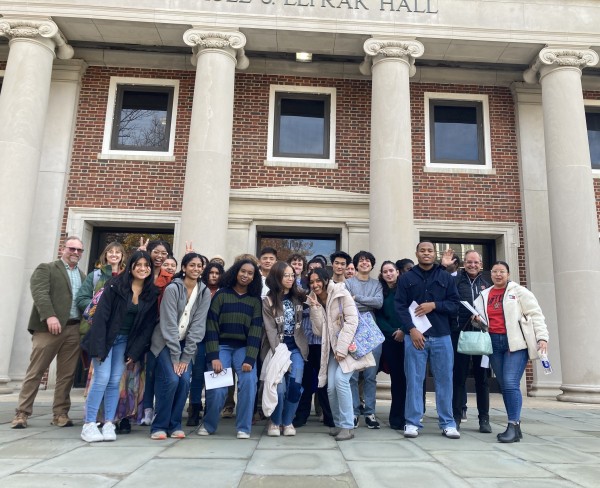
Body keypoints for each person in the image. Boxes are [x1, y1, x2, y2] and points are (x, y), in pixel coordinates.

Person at [80, 251, 159, 442]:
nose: (142, 268)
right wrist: (99, 348)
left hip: (125, 342)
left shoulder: (151, 293)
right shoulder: (115, 285)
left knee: (115, 381)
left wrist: (134, 351)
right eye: (138, 264)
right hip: (105, 339)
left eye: (146, 265)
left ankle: (109, 423)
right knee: (102, 379)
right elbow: (100, 318)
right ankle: (89, 424)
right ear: (131, 266)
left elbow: (147, 326)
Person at [12, 236, 86, 429]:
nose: (75, 253)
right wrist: (50, 316)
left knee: (66, 375)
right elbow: (40, 293)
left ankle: (60, 413)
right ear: (64, 248)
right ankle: (22, 413)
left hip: (73, 329)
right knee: (35, 371)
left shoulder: (83, 275)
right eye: (72, 249)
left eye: (79, 250)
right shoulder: (47, 268)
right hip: (48, 329)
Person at [473, 260, 549, 443]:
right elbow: (481, 322)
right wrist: (476, 319)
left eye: (502, 272)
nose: (498, 275)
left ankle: (513, 425)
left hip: (515, 343)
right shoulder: (483, 295)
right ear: (490, 274)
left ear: (508, 274)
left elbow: (536, 314)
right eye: (494, 272)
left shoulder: (519, 292)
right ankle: (515, 427)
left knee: (509, 383)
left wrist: (542, 338)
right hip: (493, 344)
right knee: (504, 385)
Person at [395, 241, 461, 439]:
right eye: (422, 250)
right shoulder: (406, 278)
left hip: (442, 336)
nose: (426, 254)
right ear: (416, 253)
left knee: (444, 380)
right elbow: (399, 306)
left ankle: (448, 423)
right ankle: (412, 422)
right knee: (414, 380)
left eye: (430, 251)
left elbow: (455, 304)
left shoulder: (445, 277)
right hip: (415, 337)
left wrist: (435, 305)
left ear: (435, 254)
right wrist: (411, 330)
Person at [198, 259, 264, 439]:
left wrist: (250, 359)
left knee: (249, 382)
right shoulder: (221, 295)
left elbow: (256, 331)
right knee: (218, 388)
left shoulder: (254, 301)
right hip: (221, 348)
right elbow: (211, 326)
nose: (246, 275)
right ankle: (209, 424)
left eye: (250, 273)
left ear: (253, 278)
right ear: (236, 272)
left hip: (243, 348)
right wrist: (214, 356)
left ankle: (243, 427)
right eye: (243, 271)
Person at [307, 268, 375, 441]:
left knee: (341, 381)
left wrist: (342, 348)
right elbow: (319, 331)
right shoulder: (315, 299)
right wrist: (315, 308)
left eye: (317, 281)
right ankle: (338, 423)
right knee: (330, 386)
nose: (315, 285)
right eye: (312, 282)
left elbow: (353, 321)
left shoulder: (341, 293)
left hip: (349, 347)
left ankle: (347, 426)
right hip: (332, 350)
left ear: (325, 279)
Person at [150, 253, 211, 439]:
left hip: (186, 345)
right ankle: (159, 425)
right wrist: (176, 357)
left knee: (184, 381)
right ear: (183, 268)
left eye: (199, 266)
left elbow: (198, 326)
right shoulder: (172, 289)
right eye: (191, 265)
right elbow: (168, 324)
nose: (196, 268)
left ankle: (175, 424)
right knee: (172, 379)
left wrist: (185, 357)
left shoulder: (204, 292)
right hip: (164, 343)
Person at [442, 249, 492, 433]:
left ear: (481, 264)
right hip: (459, 335)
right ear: (464, 263)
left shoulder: (487, 285)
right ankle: (455, 417)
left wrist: (482, 322)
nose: (472, 265)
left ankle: (484, 419)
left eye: (476, 262)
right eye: (469, 262)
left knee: (482, 379)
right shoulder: (454, 281)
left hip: (481, 336)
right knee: (459, 377)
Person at [261, 261, 308, 437]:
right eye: (286, 275)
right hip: (277, 350)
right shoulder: (269, 301)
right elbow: (270, 329)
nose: (290, 278)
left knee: (295, 386)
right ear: (277, 277)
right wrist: (279, 353)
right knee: (278, 387)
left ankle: (287, 421)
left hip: (297, 348)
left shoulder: (299, 296)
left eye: (292, 275)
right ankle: (275, 421)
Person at [345, 251, 383, 429]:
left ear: (372, 264)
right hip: (352, 331)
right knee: (352, 375)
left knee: (370, 376)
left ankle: (370, 413)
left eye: (368, 260)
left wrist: (357, 298)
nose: (364, 263)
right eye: (361, 260)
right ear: (356, 264)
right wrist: (362, 302)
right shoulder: (347, 283)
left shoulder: (377, 284)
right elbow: (346, 305)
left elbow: (378, 303)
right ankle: (353, 412)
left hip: (372, 334)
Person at [140, 239, 175, 428]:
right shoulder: (140, 271)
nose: (160, 256)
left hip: (158, 330)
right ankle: (139, 408)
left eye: (164, 253)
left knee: (154, 369)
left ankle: (150, 409)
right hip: (138, 328)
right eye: (156, 252)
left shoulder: (168, 277)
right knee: (139, 371)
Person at [186, 261, 225, 426]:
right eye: (211, 272)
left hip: (218, 338)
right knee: (197, 374)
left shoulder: (224, 292)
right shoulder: (199, 289)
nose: (214, 276)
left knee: (215, 374)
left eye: (217, 273)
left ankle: (211, 409)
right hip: (199, 337)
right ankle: (194, 408)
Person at [374, 261, 407, 430]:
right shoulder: (381, 291)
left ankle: (403, 417)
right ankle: (393, 418)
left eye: (391, 271)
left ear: (397, 272)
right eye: (385, 271)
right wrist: (392, 331)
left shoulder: (405, 289)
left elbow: (411, 311)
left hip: (406, 338)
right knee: (394, 378)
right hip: (388, 339)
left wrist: (403, 329)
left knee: (404, 379)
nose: (389, 274)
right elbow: (378, 316)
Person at [76, 241, 126, 339]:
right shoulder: (95, 276)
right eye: (111, 251)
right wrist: (100, 308)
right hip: (93, 329)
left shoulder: (126, 278)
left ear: (122, 256)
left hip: (118, 331)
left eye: (118, 252)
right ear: (106, 254)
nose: (114, 254)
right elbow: (82, 299)